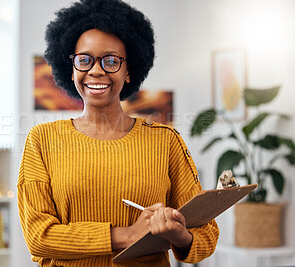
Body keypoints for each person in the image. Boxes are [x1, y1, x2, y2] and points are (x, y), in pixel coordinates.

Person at [17, 0, 219, 266]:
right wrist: (127, 235)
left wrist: (178, 234)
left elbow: (206, 235)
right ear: (72, 68)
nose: (96, 70)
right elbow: (38, 237)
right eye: (84, 60)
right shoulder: (42, 140)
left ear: (128, 71)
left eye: (111, 60)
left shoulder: (165, 140)